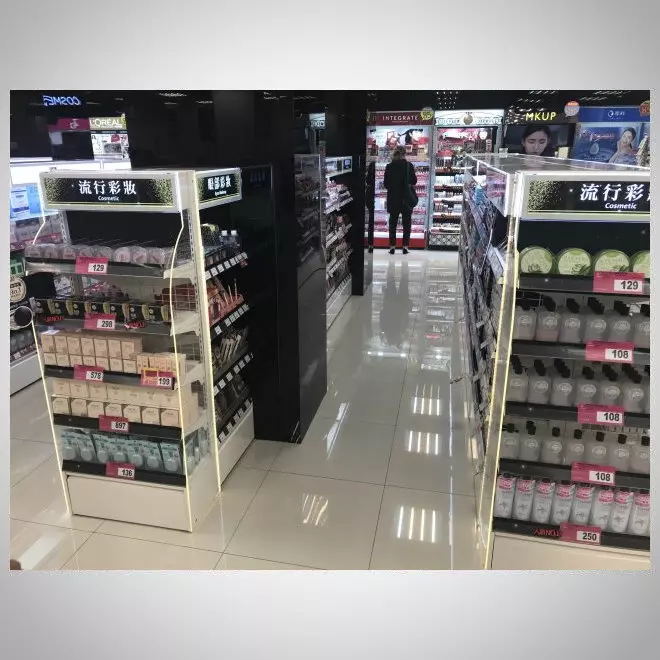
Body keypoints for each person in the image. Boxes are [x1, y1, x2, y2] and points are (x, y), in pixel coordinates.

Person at [383, 146, 417, 255]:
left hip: (393, 199)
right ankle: (405, 247)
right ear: (404, 154)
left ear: (395, 153)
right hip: (406, 199)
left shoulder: (389, 166)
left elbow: (386, 184)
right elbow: (414, 181)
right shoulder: (409, 166)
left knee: (393, 224)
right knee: (407, 224)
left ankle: (392, 247)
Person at [365, 161, 376, 252]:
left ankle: (370, 245)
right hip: (377, 201)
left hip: (370, 201)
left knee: (371, 222)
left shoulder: (369, 180)